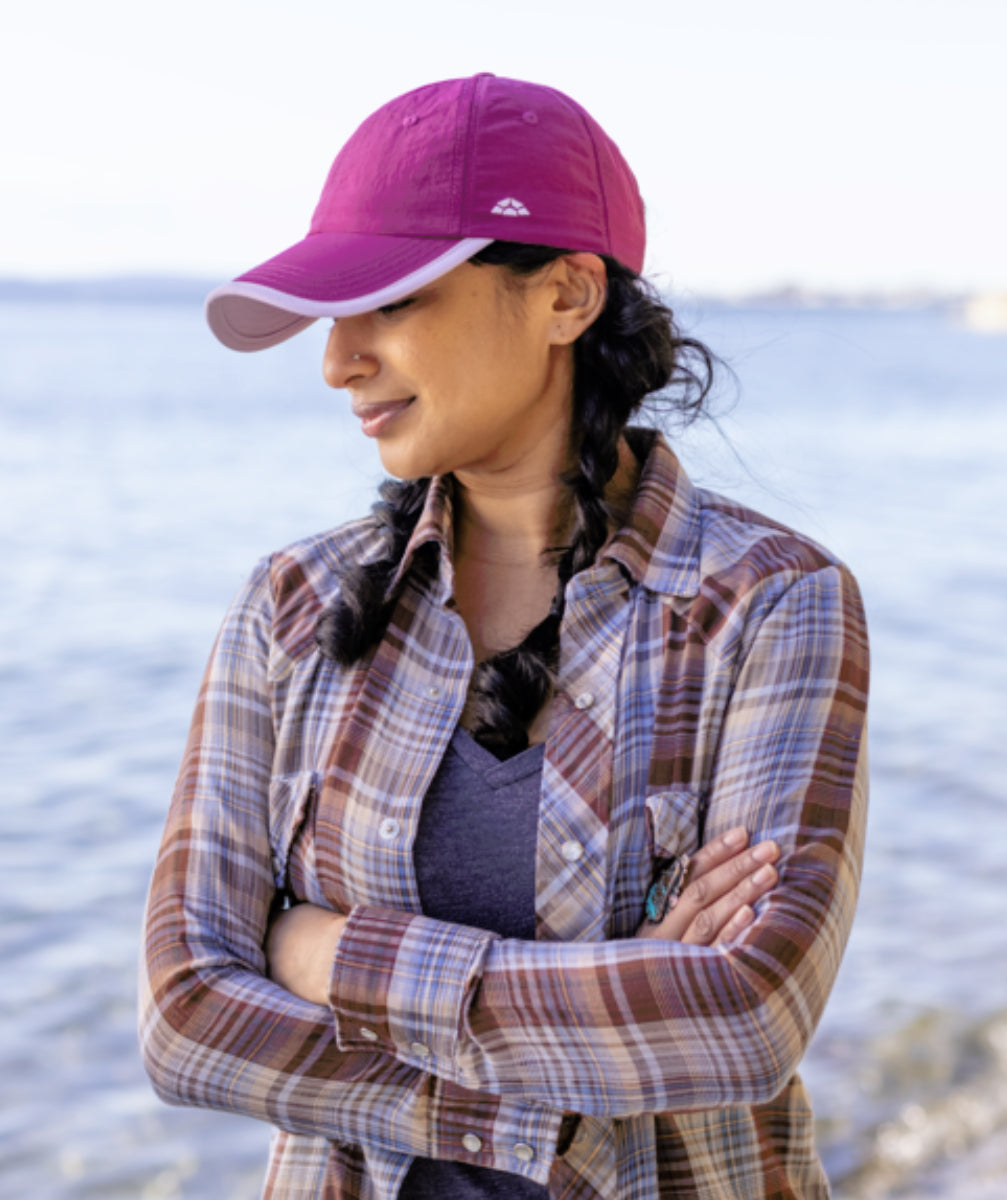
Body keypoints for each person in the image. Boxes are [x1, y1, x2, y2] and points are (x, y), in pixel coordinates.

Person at [138, 73, 869, 1200]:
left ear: (567, 295)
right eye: (336, 317)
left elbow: (747, 1018)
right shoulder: (289, 605)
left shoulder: (770, 603)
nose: (338, 362)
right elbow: (186, 1018)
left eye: (390, 302)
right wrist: (599, 1023)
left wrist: (317, 953)